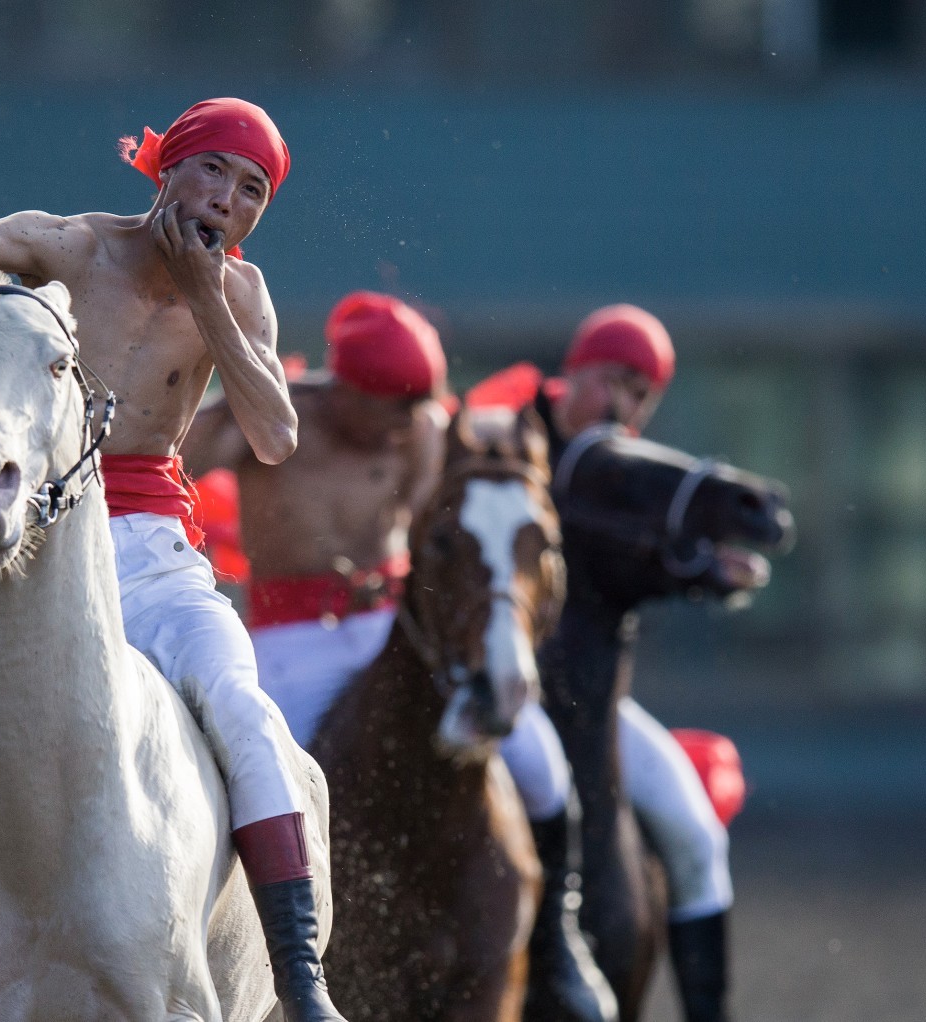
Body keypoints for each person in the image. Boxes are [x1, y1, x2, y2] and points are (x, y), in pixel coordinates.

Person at [0, 97, 345, 1022]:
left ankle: (300, 980)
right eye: (214, 172)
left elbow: (276, 435)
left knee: (245, 713)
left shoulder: (240, 295)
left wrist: (206, 297)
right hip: (34, 547)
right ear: (171, 169)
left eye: (253, 192)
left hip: (158, 560)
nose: (229, 201)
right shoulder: (70, 245)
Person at [183, 291, 617, 1022]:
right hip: (290, 641)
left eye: (419, 403)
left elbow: (472, 498)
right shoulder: (272, 418)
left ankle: (556, 939)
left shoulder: (418, 426)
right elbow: (171, 460)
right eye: (391, 404)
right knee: (248, 774)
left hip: (395, 627)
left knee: (538, 761)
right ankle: (221, 948)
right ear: (346, 388)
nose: (407, 422)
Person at [476, 304, 735, 1022]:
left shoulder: (629, 474)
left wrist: (710, 565)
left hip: (589, 702)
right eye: (612, 380)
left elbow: (662, 547)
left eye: (641, 394)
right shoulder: (504, 429)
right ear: (576, 370)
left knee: (694, 833)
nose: (620, 404)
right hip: (487, 685)